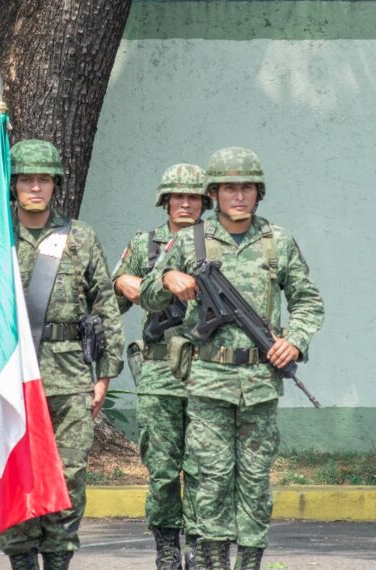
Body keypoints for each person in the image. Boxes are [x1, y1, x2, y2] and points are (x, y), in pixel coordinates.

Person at [139, 147, 325, 570]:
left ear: (258, 193)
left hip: (259, 382)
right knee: (211, 480)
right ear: (214, 193)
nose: (238, 196)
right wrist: (169, 277)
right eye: (228, 188)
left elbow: (308, 301)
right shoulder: (190, 239)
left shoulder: (277, 242)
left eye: (246, 188)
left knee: (255, 482)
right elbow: (148, 293)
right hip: (207, 381)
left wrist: (294, 341)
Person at [0, 139, 124, 570]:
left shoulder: (80, 238)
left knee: (67, 480)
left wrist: (105, 373)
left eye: (44, 179)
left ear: (55, 184)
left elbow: (105, 307)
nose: (36, 188)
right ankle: (22, 560)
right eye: (27, 179)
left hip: (69, 377)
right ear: (14, 185)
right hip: (12, 380)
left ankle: (58, 560)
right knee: (18, 478)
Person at [111, 163, 208, 569]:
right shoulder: (144, 243)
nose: (185, 203)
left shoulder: (216, 241)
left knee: (206, 466)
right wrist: (121, 283)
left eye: (193, 196)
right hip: (158, 370)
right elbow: (109, 302)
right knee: (163, 468)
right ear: (165, 200)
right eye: (177, 196)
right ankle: (167, 549)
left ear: (205, 200)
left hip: (208, 370)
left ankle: (204, 548)